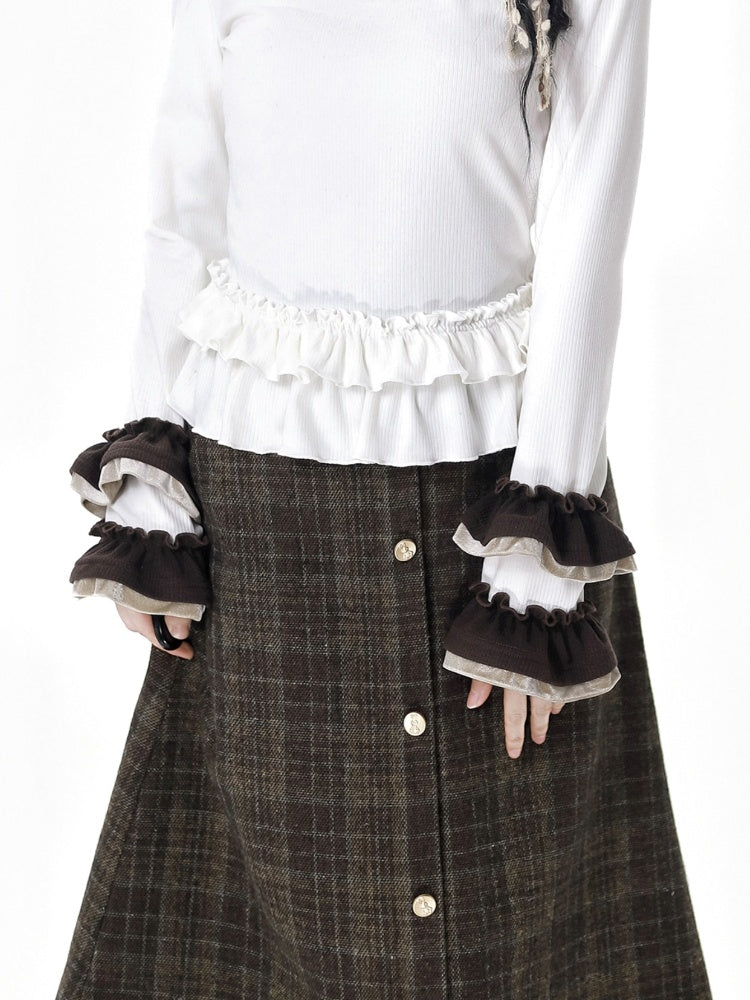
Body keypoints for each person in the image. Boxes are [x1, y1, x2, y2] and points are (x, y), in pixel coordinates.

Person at [56, 1, 713, 997]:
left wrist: (540, 560)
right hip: (261, 523)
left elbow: (588, 211)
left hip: (496, 520)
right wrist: (152, 488)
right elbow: (186, 199)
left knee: (513, 942)